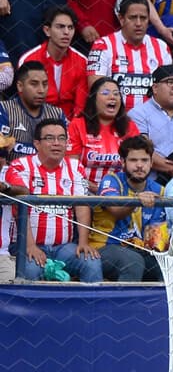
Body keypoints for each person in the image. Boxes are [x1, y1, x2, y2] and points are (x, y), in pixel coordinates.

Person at [5, 118, 101, 283]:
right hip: (25, 245)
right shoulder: (19, 166)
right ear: (36, 143)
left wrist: (83, 242)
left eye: (62, 138)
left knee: (91, 263)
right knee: (30, 270)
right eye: (50, 138)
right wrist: (29, 246)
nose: (57, 143)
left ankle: (95, 309)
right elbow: (18, 208)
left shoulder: (76, 167)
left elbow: (82, 205)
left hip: (64, 247)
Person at [95, 133, 166, 282]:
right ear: (123, 162)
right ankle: (122, 305)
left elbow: (155, 234)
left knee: (164, 266)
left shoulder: (159, 190)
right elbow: (115, 210)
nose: (139, 165)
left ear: (151, 163)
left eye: (144, 160)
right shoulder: (111, 180)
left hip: (139, 249)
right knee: (133, 262)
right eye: (133, 160)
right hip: (104, 247)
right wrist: (136, 201)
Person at [88, 0, 173, 113]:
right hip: (116, 120)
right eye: (133, 18)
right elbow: (96, 89)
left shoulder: (161, 47)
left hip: (153, 121)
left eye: (143, 18)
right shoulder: (103, 45)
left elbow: (169, 92)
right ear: (121, 19)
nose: (138, 23)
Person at [68, 75, 139, 193]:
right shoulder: (77, 125)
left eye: (116, 94)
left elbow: (137, 163)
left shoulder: (129, 126)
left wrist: (115, 192)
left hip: (121, 192)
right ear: (93, 99)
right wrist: (99, 190)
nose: (112, 97)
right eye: (105, 93)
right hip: (85, 191)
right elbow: (71, 168)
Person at [20, 6, 89, 121]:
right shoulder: (29, 59)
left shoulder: (82, 61)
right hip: (36, 122)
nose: (66, 32)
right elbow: (26, 103)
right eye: (60, 27)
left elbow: (80, 106)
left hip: (71, 125)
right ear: (47, 30)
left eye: (70, 27)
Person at [0, 62, 66, 159]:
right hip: (12, 171)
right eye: (34, 84)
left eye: (45, 84)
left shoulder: (57, 114)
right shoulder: (4, 109)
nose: (41, 90)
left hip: (48, 172)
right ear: (20, 86)